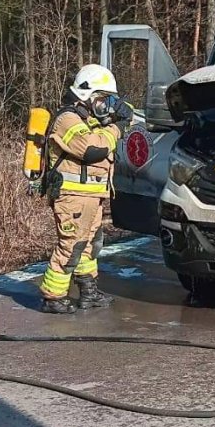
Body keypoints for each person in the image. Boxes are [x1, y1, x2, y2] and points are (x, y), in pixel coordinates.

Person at [38, 64, 134, 314]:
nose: (106, 105)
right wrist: (117, 126)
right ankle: (53, 296)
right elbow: (93, 149)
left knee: (91, 244)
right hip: (72, 198)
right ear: (86, 94)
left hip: (90, 196)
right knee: (71, 245)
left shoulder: (89, 120)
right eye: (103, 99)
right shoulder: (67, 119)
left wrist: (121, 116)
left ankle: (88, 290)